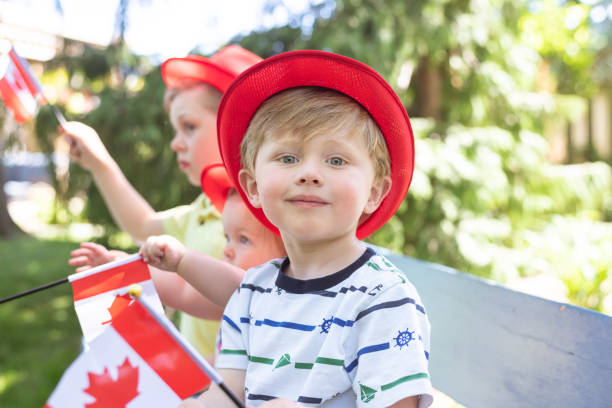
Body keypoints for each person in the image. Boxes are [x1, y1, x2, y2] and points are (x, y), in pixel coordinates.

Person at [141, 50, 433, 408]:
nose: (308, 173)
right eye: (288, 158)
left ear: (374, 192)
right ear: (252, 187)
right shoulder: (251, 292)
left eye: (336, 160)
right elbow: (229, 393)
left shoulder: (381, 298)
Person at [63, 45, 262, 361]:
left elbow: (244, 301)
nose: (175, 142)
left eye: (190, 126)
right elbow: (142, 226)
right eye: (175, 128)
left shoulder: (270, 213)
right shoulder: (203, 209)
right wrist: (98, 162)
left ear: (241, 128)